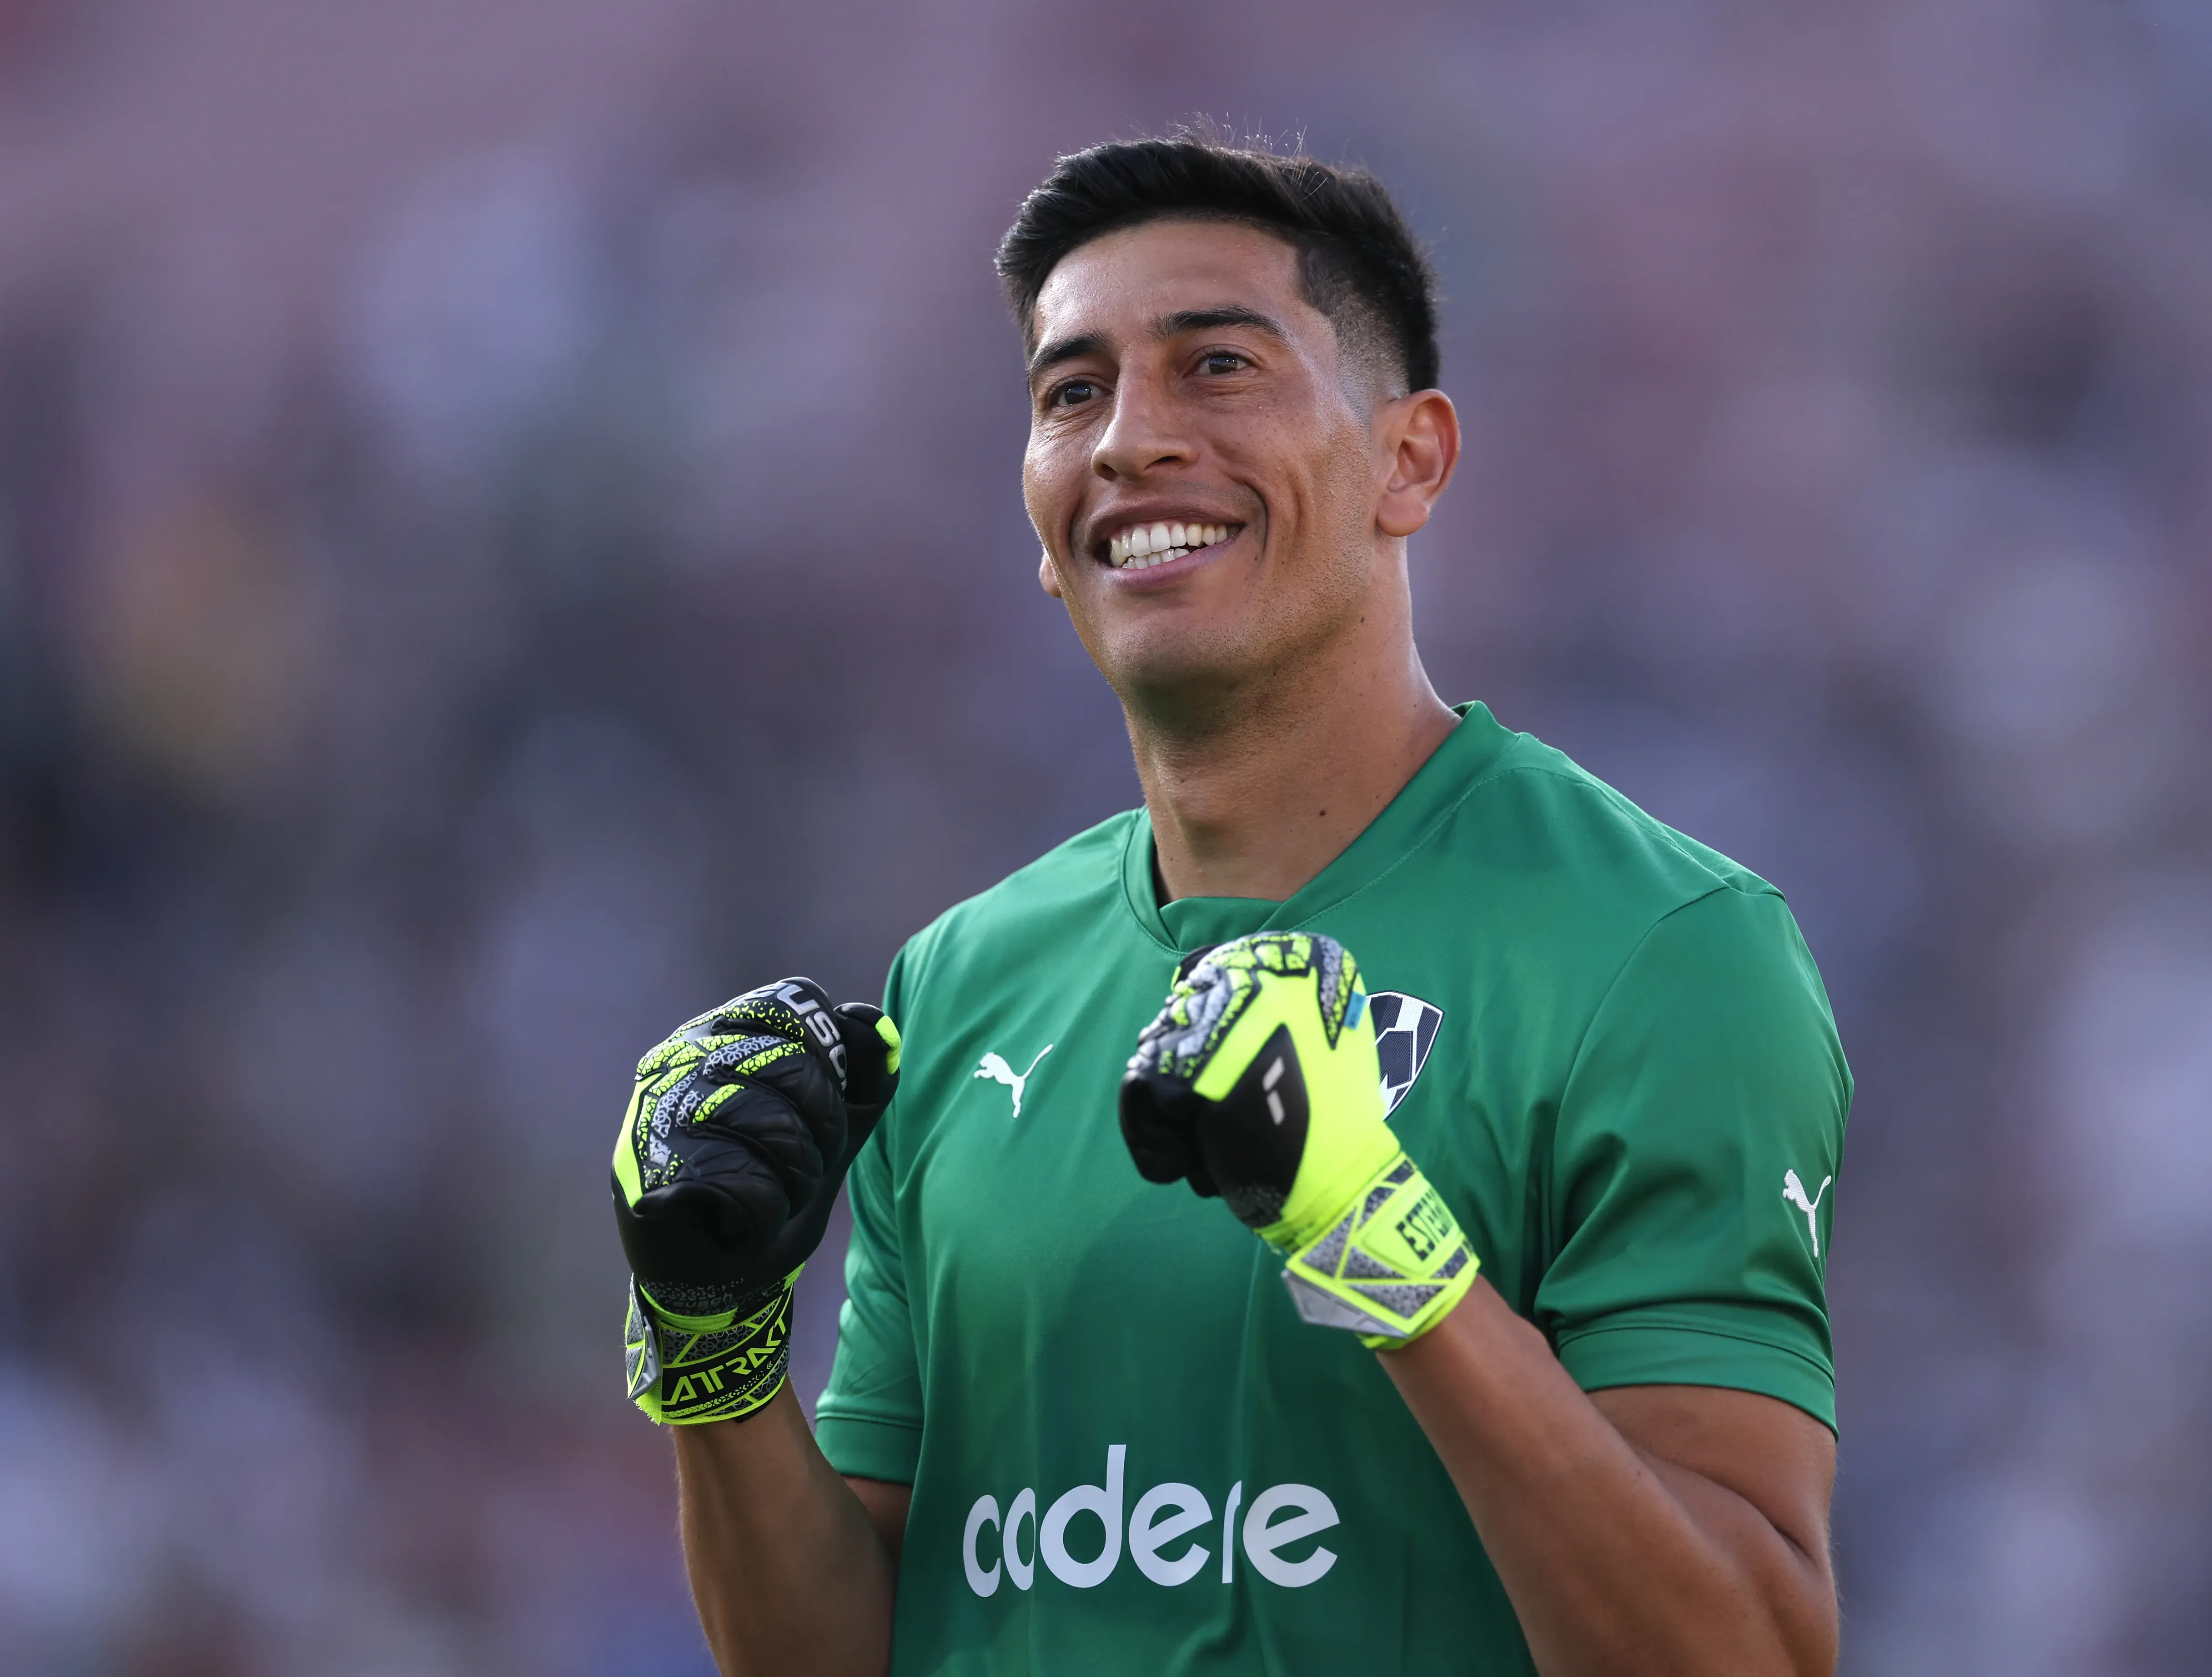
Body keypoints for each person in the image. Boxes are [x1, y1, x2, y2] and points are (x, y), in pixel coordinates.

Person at [609, 131, 1850, 1677]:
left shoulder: (1660, 952)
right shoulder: (958, 983)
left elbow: (1744, 1653)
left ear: (1410, 460)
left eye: (1216, 368)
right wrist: (712, 1350)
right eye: (1073, 393)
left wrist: (1373, 1238)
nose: (1129, 441)